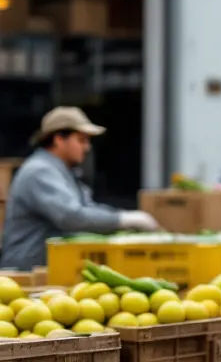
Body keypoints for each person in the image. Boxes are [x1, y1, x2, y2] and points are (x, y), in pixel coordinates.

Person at [0, 107, 160, 270]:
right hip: (26, 271)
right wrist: (122, 220)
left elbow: (87, 209)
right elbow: (71, 216)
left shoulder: (63, 172)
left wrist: (120, 217)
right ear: (59, 139)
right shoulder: (40, 171)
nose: (87, 147)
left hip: (48, 269)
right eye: (81, 140)